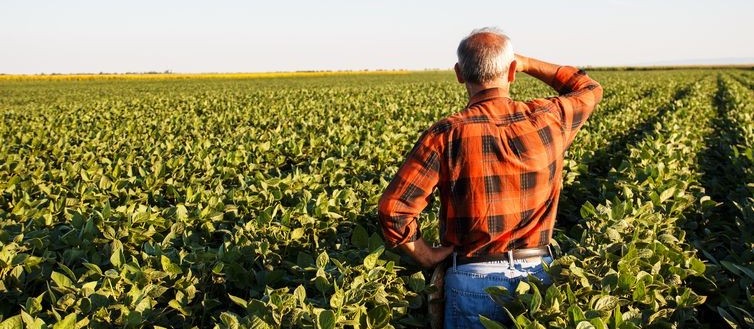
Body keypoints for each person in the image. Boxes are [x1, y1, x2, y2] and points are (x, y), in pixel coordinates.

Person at [377, 27, 603, 328]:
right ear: (511, 72)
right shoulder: (549, 118)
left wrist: (425, 255)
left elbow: (394, 210)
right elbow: (588, 88)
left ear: (459, 73)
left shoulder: (446, 134)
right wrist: (525, 63)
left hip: (472, 280)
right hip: (538, 278)